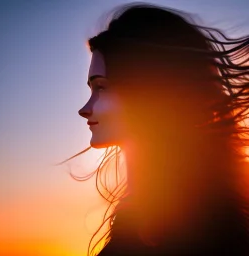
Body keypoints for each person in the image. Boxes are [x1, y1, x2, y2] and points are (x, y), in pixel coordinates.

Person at [64, 3, 249, 255]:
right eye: (91, 89)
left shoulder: (196, 222)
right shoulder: (143, 213)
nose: (85, 108)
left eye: (102, 88)